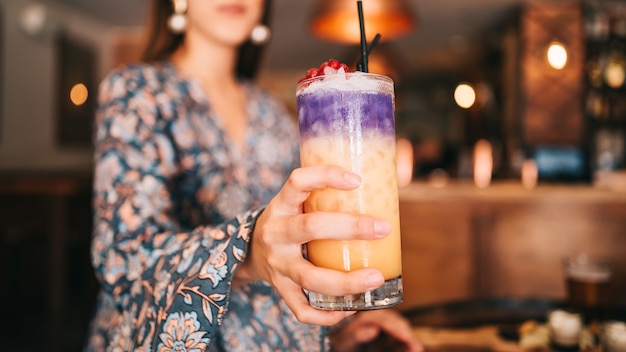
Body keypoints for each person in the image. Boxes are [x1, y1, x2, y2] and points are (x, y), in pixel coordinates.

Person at [86, 0, 423, 351]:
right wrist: (247, 249)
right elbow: (121, 258)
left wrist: (344, 319)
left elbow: (307, 236)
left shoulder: (274, 112)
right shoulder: (135, 91)